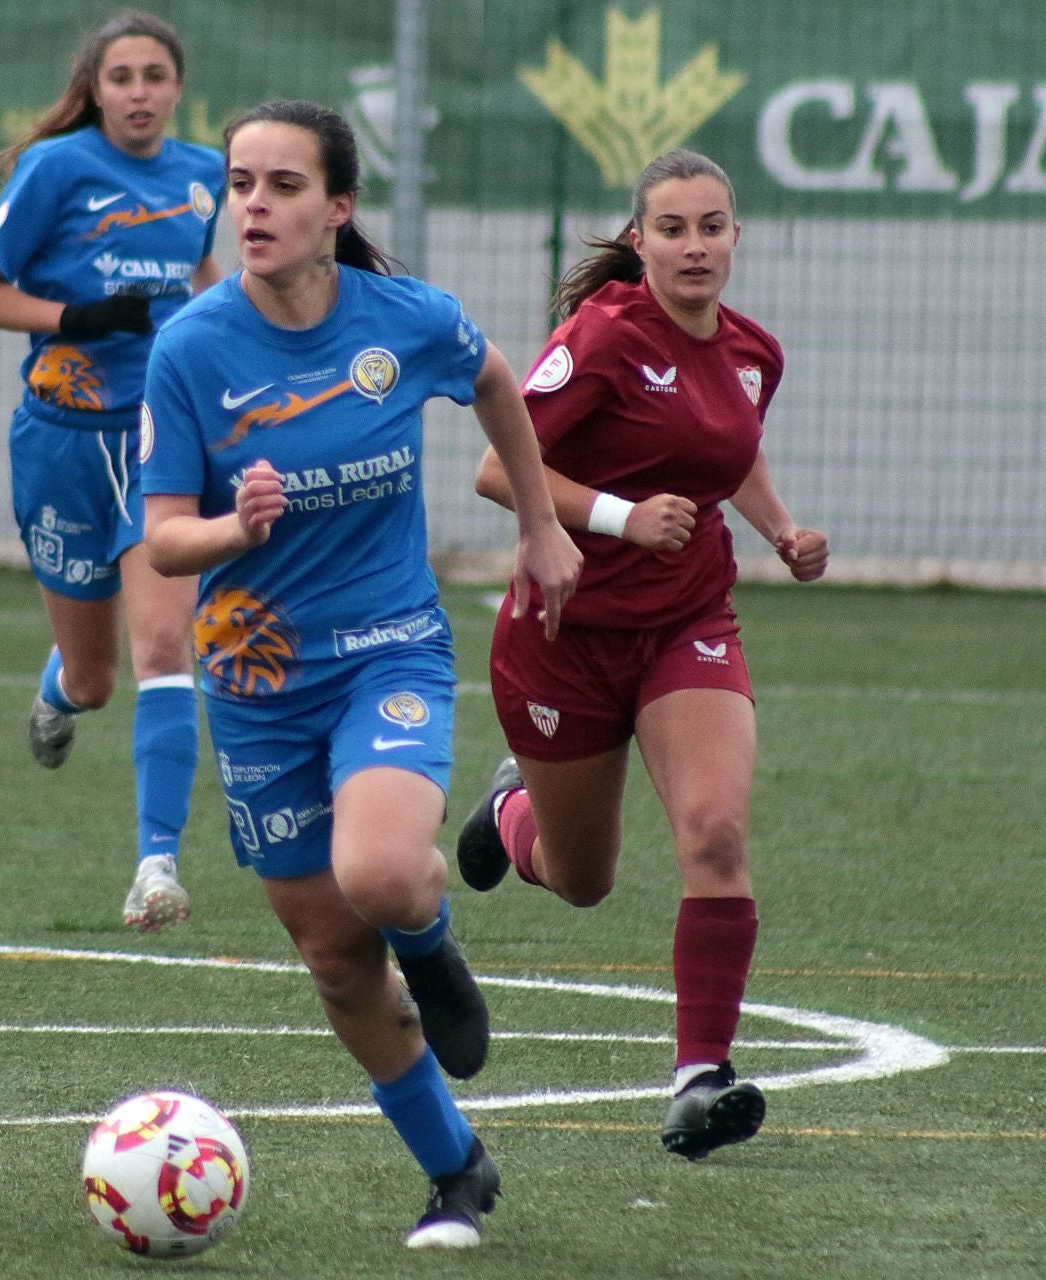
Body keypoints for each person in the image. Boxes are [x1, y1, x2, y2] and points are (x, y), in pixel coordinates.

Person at [141, 100, 581, 1250]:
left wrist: (540, 525)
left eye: (283, 185)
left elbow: (495, 382)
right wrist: (233, 530)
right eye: (239, 183)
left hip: (389, 646)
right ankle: (456, 1166)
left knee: (383, 875)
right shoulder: (192, 346)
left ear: (338, 207)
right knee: (336, 959)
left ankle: (434, 950)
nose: (253, 206)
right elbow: (162, 537)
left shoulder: (404, 320)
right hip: (254, 683)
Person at [459, 147, 829, 1161]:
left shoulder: (756, 352)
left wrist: (782, 529)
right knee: (581, 879)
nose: (695, 244)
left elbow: (728, 443)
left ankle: (698, 1076)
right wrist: (621, 514)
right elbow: (499, 469)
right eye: (672, 227)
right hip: (562, 637)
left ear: (737, 237)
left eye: (713, 226)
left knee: (714, 832)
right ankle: (510, 808)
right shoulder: (604, 338)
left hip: (687, 622)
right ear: (640, 241)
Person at [0, 11, 224, 931]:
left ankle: (155, 868)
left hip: (162, 444)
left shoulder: (204, 179)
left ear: (178, 88)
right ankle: (57, 690)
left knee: (163, 648)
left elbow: (205, 287)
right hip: (64, 445)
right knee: (95, 676)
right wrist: (78, 320)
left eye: (157, 75)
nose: (141, 93)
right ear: (97, 87)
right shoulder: (56, 169)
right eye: (123, 77)